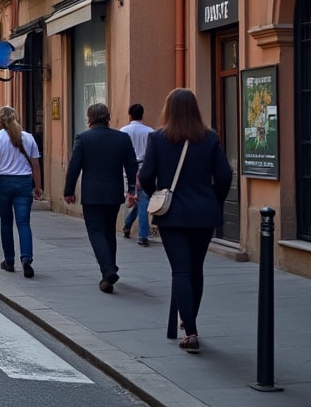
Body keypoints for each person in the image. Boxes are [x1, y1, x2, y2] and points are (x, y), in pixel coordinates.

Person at [139, 88, 233, 354]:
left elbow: (145, 175)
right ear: (195, 109)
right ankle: (189, 319)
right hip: (203, 213)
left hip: (172, 214)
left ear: (168, 110)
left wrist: (157, 193)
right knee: (196, 268)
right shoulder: (209, 137)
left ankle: (190, 331)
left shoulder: (158, 138)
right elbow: (225, 175)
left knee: (180, 270)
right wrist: (213, 199)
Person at [63, 103, 139, 293]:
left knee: (96, 232)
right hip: (113, 194)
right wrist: (132, 189)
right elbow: (131, 166)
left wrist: (68, 191)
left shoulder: (83, 139)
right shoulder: (122, 138)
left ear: (90, 118)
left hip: (92, 195)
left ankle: (108, 270)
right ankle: (109, 271)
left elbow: (74, 167)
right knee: (109, 232)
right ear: (107, 117)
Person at [0, 106, 44, 277]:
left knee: (6, 222)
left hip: (4, 182)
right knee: (24, 223)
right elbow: (35, 165)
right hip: (24, 182)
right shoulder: (28, 138)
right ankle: (26, 259)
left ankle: (9, 260)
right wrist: (38, 186)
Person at [120, 103, 155, 245]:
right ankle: (142, 235)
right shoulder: (150, 132)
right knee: (143, 201)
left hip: (128, 171)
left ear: (129, 115)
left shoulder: (123, 131)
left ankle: (128, 225)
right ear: (142, 114)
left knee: (139, 201)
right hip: (145, 170)